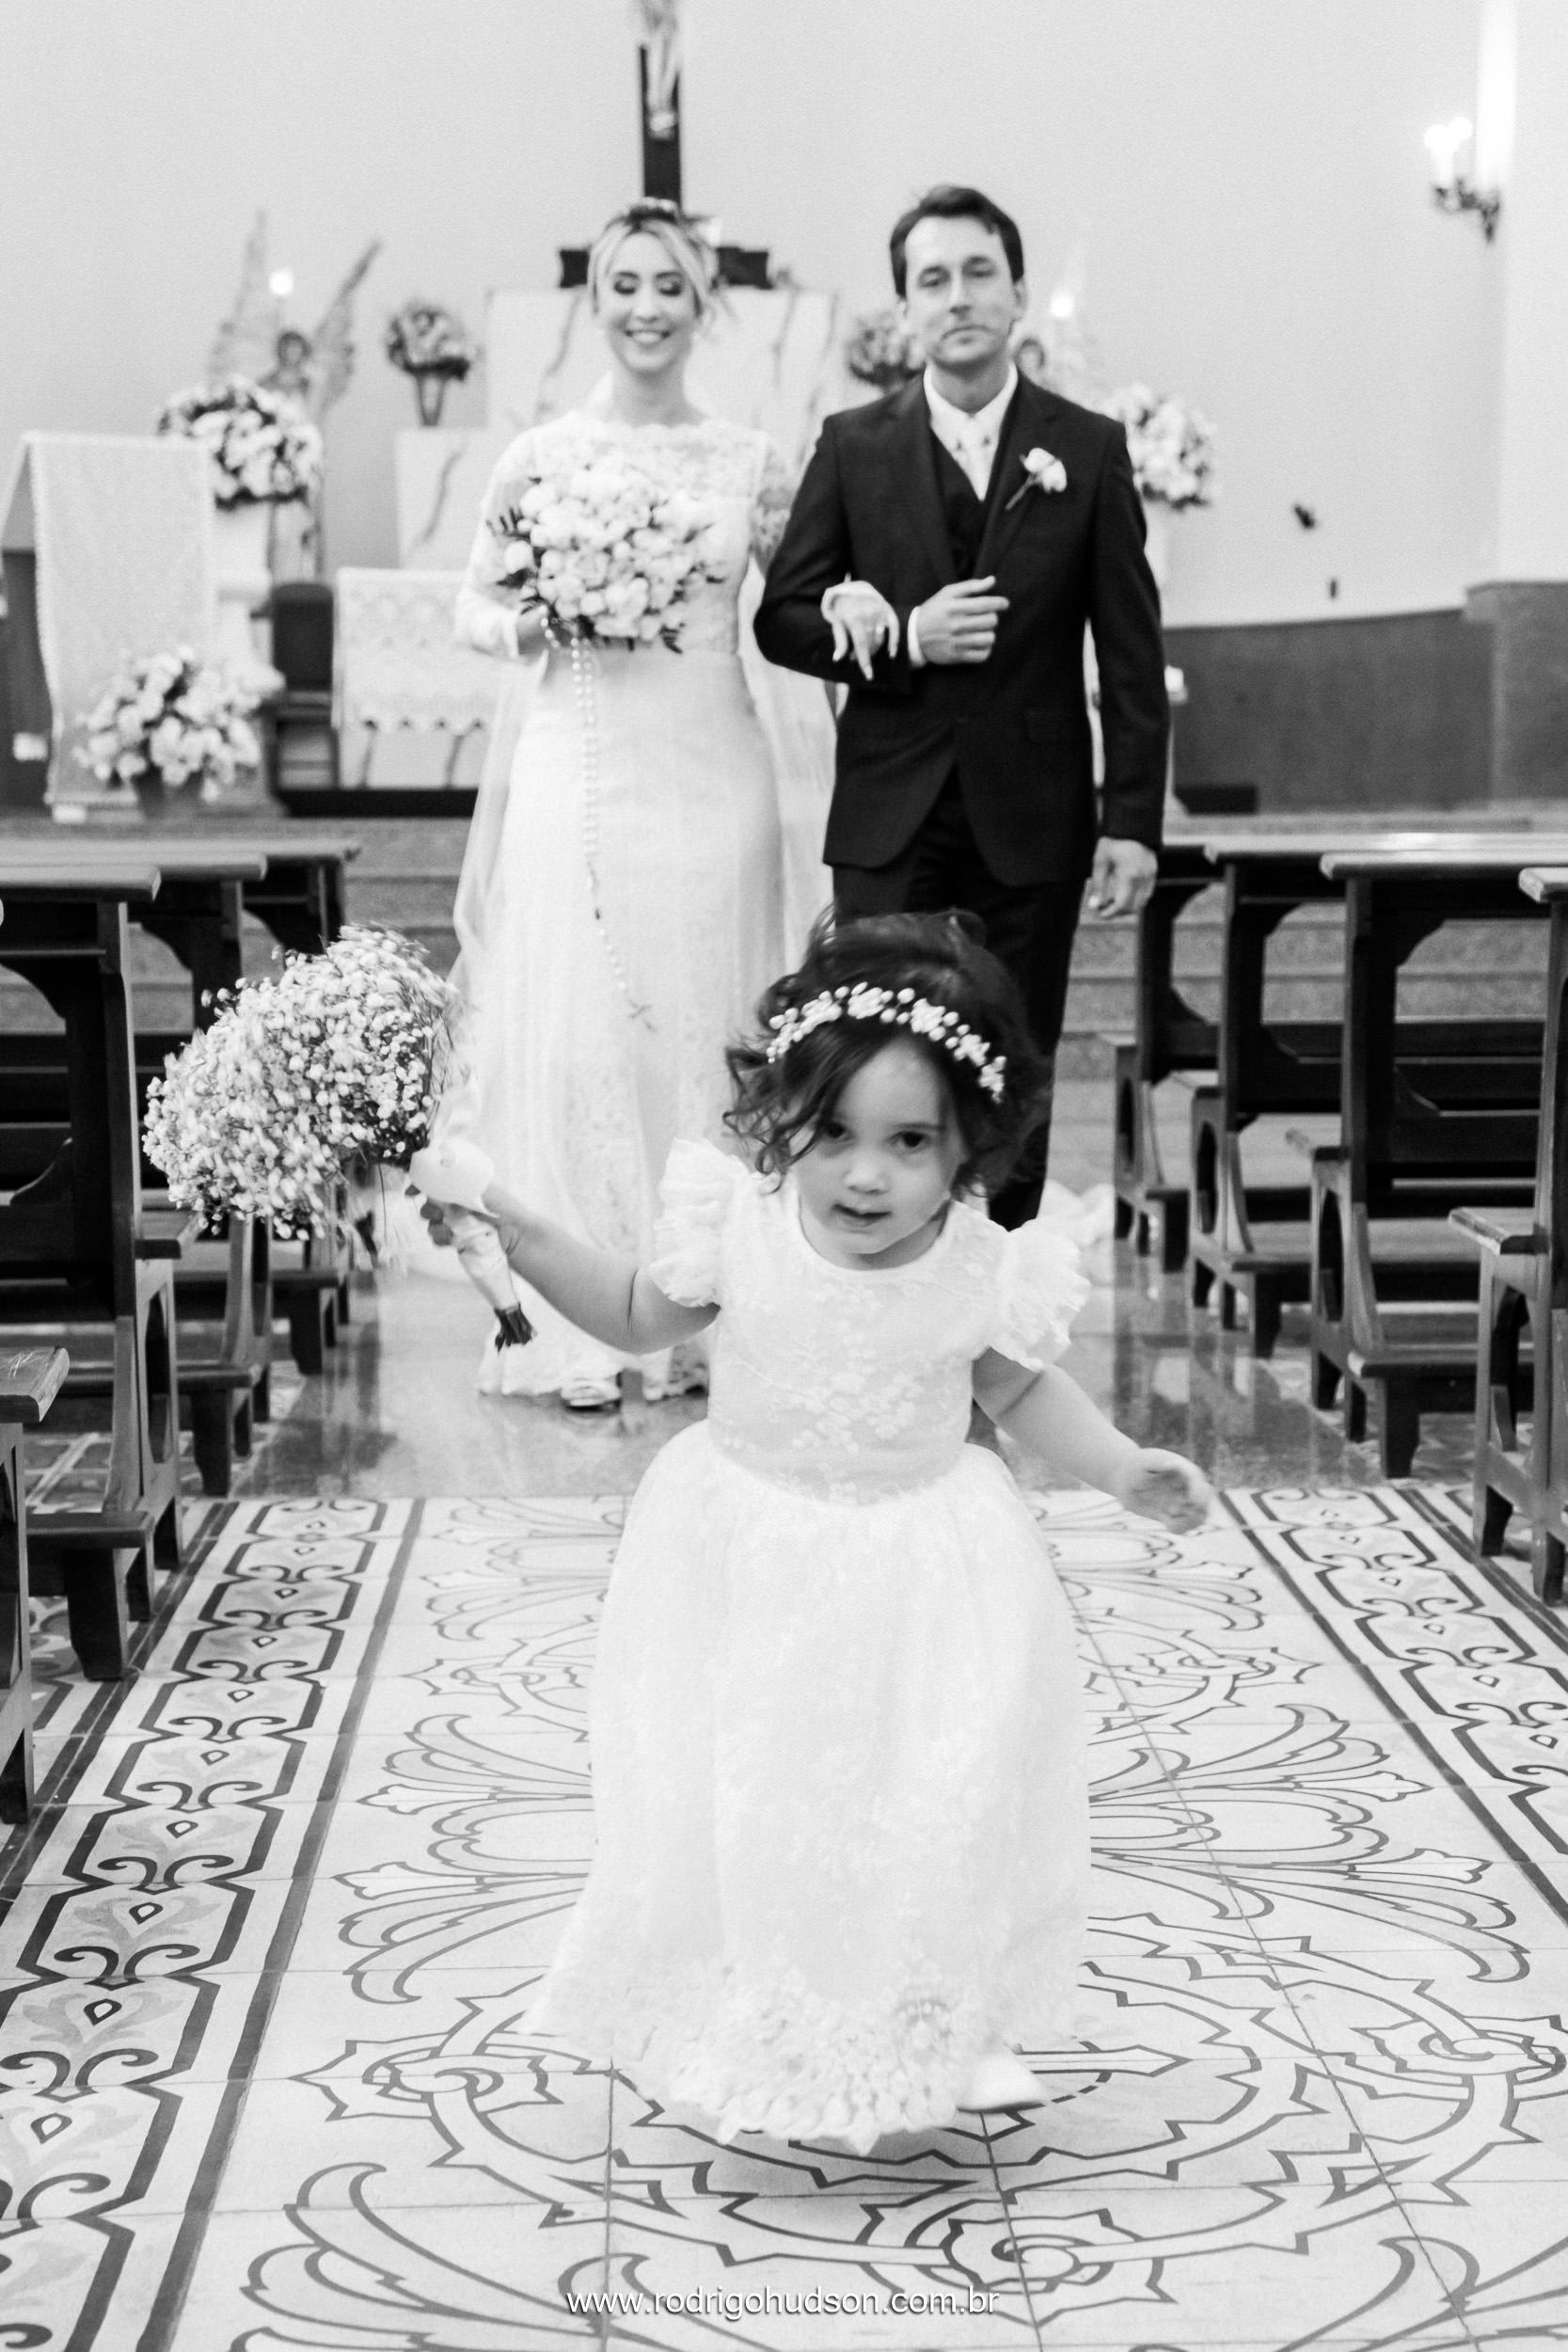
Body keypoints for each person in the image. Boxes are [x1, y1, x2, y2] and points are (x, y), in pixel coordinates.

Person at [422, 913, 1212, 2151]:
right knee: (757, 1796)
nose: (862, 1174)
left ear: (967, 1154)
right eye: (832, 1135)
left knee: (930, 1794)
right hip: (749, 1559)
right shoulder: (731, 1228)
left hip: (923, 1567)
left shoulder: (971, 1263)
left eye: (908, 1144)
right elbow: (634, 1316)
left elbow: (1011, 1387)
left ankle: (935, 2020)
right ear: (785, 1117)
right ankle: (752, 2010)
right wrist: (516, 1224)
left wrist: (1118, 1465)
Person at [754, 184, 1169, 1225]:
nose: (957, 297)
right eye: (930, 280)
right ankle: (876, 1276)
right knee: (875, 1056)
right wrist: (898, 636)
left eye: (977, 272)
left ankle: (1000, 1292)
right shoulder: (852, 445)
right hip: (890, 807)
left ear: (1016, 291)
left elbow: (1129, 653)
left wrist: (1131, 823)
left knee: (1012, 1063)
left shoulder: (1086, 446)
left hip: (1033, 808)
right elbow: (782, 620)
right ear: (904, 310)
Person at [446, 201, 798, 1408]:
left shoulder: (750, 459)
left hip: (712, 770)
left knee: (703, 1024)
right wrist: (525, 625)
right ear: (594, 301)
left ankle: (707, 1305)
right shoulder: (539, 454)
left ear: (705, 304)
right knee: (584, 1028)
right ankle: (579, 1319)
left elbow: (797, 604)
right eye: (623, 284)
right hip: (579, 765)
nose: (645, 306)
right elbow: (472, 605)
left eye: (669, 286)